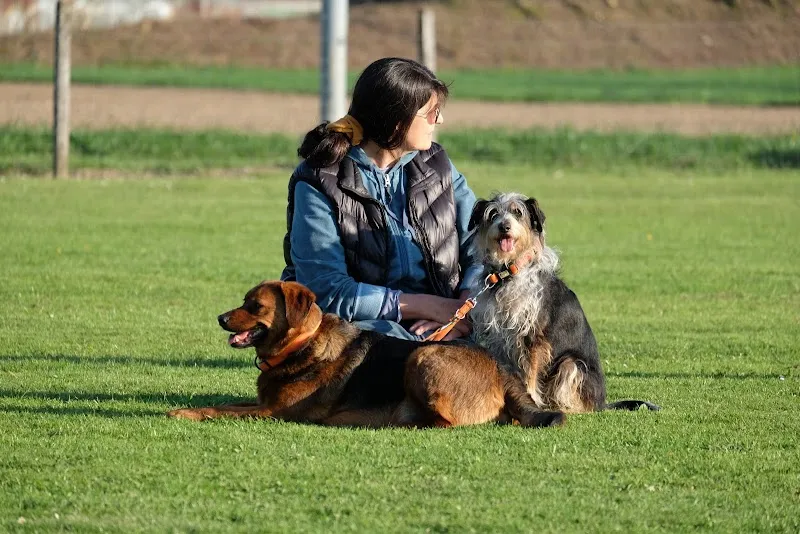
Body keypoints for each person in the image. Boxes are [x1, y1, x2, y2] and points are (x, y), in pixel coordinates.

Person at [281, 57, 481, 341]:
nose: (440, 120)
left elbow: (483, 244)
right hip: (358, 334)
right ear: (396, 120)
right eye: (431, 112)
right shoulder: (318, 180)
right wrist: (434, 307)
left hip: (446, 327)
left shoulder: (438, 165)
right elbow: (326, 290)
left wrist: (464, 310)